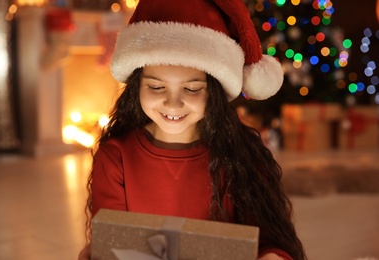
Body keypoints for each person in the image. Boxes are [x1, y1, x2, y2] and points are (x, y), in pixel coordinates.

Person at [79, 0, 307, 259]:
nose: (173, 103)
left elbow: (271, 241)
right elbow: (111, 241)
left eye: (191, 89)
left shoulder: (242, 156)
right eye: (156, 87)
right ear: (136, 87)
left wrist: (273, 257)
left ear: (215, 92)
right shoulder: (115, 157)